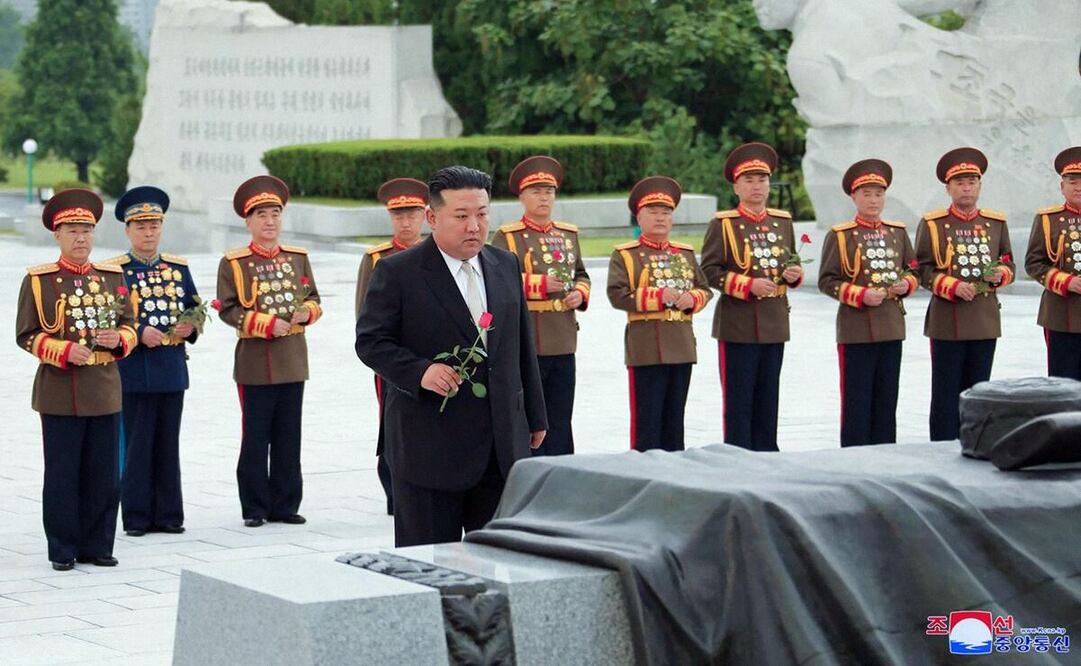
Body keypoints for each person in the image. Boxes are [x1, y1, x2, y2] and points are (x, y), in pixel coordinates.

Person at [355, 165, 547, 547]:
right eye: (461, 216)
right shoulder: (398, 272)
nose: (474, 226)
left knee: (498, 561)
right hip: (429, 448)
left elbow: (521, 345)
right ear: (432, 217)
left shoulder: (504, 264)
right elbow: (371, 341)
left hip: (500, 446)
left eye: (482, 213)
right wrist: (420, 372)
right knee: (428, 567)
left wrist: (535, 416)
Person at [15, 189, 139, 570]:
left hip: (103, 386)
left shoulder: (113, 277)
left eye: (86, 230)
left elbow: (131, 326)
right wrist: (62, 350)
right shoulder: (40, 282)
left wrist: (120, 339)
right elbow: (26, 334)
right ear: (57, 235)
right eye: (72, 230)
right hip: (59, 390)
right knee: (63, 473)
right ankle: (63, 548)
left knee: (103, 474)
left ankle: (98, 545)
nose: (81, 238)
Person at [216, 175, 322, 528]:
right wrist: (262, 323)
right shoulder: (234, 263)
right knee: (256, 436)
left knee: (289, 436)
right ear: (248, 221)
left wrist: (307, 313)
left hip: (292, 359)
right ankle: (255, 506)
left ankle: (286, 503)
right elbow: (228, 309)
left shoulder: (297, 258)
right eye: (261, 215)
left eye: (275, 213)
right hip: (255, 363)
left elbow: (314, 300)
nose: (270, 221)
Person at [106, 186, 201, 536]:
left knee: (167, 443)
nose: (149, 233)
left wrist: (192, 326)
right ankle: (136, 516)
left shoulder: (177, 268)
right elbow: (111, 315)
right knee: (136, 444)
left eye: (154, 226)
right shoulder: (116, 271)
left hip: (171, 368)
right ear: (128, 230)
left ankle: (169, 514)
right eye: (141, 226)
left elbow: (194, 305)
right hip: (133, 370)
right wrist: (141, 329)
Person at [700, 142, 803, 452]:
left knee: (769, 395)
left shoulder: (782, 221)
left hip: (774, 321)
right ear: (736, 186)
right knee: (739, 399)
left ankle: (768, 453)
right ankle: (738, 457)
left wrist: (794, 275)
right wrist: (746, 285)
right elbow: (708, 270)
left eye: (762, 180)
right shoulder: (724, 224)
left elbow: (790, 261)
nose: (757, 186)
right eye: (749, 180)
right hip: (738, 324)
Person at [491, 155, 590, 456]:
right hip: (527, 339)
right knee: (530, 418)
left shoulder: (568, 234)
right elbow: (497, 280)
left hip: (562, 337)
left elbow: (581, 274)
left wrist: (581, 294)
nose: (544, 197)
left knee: (561, 417)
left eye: (549, 191)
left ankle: (563, 477)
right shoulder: (508, 237)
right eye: (536, 191)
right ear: (521, 197)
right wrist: (538, 285)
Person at [914, 147, 1014, 441]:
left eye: (972, 181)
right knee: (946, 390)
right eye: (960, 182)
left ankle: (979, 442)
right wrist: (953, 286)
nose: (966, 188)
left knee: (981, 388)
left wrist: (1000, 276)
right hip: (949, 318)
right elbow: (922, 269)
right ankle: (943, 445)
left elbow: (1008, 261)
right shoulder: (934, 224)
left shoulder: (994, 223)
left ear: (980, 186)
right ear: (948, 188)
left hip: (984, 317)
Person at [607, 176, 712, 452]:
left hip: (681, 344)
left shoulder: (685, 254)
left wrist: (693, 298)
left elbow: (705, 289)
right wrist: (657, 297)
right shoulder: (626, 255)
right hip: (646, 348)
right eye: (652, 212)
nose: (660, 218)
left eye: (666, 212)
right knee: (647, 423)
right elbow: (617, 295)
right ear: (638, 216)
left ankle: (675, 475)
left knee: (675, 422)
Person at [819, 159, 918, 447]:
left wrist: (906, 284)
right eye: (867, 194)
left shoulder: (897, 232)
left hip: (890, 324)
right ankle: (854, 456)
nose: (874, 201)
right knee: (856, 400)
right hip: (856, 327)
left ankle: (886, 453)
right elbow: (828, 280)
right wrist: (859, 295)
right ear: (854, 197)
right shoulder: (841, 235)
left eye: (878, 194)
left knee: (887, 399)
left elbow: (913, 270)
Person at [354, 177, 428, 515]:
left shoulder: (436, 253)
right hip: (395, 357)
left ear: (425, 215)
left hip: (431, 353)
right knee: (392, 421)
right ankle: (393, 490)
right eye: (399, 215)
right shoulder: (377, 258)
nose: (406, 222)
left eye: (412, 214)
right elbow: (365, 312)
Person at [1025, 146, 1081, 379]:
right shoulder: (1049, 220)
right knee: (1062, 384)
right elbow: (1034, 262)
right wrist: (1066, 282)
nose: (1078, 187)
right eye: (1072, 181)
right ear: (1062, 187)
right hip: (1062, 314)